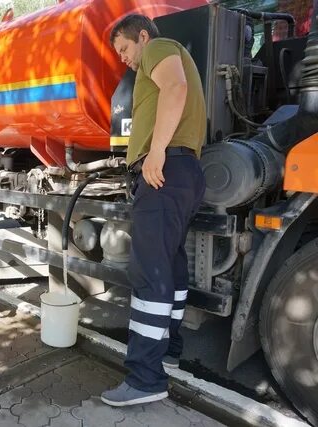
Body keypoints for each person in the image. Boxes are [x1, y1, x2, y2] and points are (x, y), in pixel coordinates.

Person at [101, 14, 207, 406]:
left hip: (165, 171)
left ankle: (145, 378)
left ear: (143, 37)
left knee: (149, 272)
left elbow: (174, 87)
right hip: (185, 173)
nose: (124, 60)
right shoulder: (166, 55)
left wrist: (156, 151)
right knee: (172, 266)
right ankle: (170, 351)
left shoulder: (159, 49)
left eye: (125, 49)